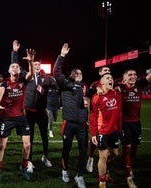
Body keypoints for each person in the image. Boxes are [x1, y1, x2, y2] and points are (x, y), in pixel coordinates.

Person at [0, 40, 35, 182]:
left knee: (27, 145)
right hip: (8, 118)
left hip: (21, 117)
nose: (15, 67)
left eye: (17, 66)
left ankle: (23, 167)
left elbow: (30, 75)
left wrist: (30, 62)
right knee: (2, 145)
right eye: (13, 66)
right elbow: (0, 93)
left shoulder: (23, 80)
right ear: (9, 71)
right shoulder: (4, 83)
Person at [11, 40, 57, 170]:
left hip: (42, 112)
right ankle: (29, 160)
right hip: (29, 112)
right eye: (35, 64)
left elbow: (58, 86)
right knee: (29, 137)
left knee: (44, 137)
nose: (37, 66)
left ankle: (45, 157)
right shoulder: (27, 76)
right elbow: (15, 65)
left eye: (38, 64)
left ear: (41, 66)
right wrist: (15, 52)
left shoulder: (47, 78)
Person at [53, 43, 88, 188]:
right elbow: (56, 72)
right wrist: (62, 56)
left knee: (83, 150)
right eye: (76, 73)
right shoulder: (65, 83)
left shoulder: (84, 87)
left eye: (80, 73)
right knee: (66, 149)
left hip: (81, 125)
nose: (79, 75)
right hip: (69, 123)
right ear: (72, 75)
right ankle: (65, 170)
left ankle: (79, 175)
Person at [117, 69, 151, 188]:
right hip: (124, 124)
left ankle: (127, 164)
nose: (133, 76)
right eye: (130, 75)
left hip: (136, 123)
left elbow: (149, 77)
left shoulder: (139, 85)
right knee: (127, 148)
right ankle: (129, 178)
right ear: (124, 78)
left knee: (134, 149)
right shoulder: (119, 87)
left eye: (135, 74)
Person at [89, 72, 122, 188]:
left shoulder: (117, 94)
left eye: (112, 78)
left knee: (114, 153)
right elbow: (92, 116)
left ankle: (106, 170)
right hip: (102, 131)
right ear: (101, 82)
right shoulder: (97, 97)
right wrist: (93, 134)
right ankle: (102, 182)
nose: (111, 80)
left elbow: (127, 84)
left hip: (114, 131)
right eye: (108, 78)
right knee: (103, 156)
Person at [86, 66, 111, 173]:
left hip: (109, 118)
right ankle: (91, 157)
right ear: (100, 73)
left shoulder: (111, 82)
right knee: (94, 138)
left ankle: (106, 165)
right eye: (105, 70)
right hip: (96, 117)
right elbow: (87, 93)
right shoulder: (94, 85)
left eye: (109, 71)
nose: (108, 72)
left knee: (109, 143)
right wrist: (96, 90)